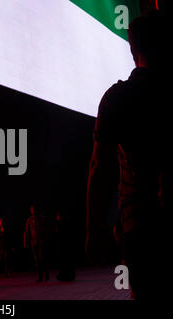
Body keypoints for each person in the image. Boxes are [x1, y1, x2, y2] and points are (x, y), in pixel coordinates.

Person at [86, 11, 170, 300]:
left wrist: (95, 231)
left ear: (133, 51)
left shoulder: (117, 98)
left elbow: (101, 171)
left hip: (140, 228)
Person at [24, 204, 54, 282]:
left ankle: (46, 273)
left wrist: (46, 237)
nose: (33, 211)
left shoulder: (42, 219)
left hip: (41, 241)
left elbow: (48, 229)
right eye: (32, 210)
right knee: (36, 259)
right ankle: (40, 276)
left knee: (42, 258)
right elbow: (27, 231)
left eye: (34, 209)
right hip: (34, 241)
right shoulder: (30, 220)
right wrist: (26, 241)